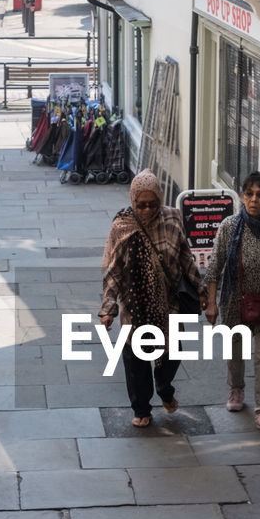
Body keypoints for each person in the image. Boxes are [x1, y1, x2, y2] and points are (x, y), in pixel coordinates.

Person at [99, 170, 204, 428]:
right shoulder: (122, 226)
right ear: (132, 201)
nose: (146, 210)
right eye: (140, 204)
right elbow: (113, 270)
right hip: (134, 305)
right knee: (135, 360)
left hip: (169, 303)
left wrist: (202, 291)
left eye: (152, 204)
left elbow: (185, 258)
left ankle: (165, 388)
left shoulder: (173, 218)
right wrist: (108, 308)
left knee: (172, 353)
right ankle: (142, 408)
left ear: (160, 199)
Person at [204, 172, 260, 435]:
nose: (254, 200)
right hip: (235, 302)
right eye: (249, 194)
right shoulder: (229, 226)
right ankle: (236, 388)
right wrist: (211, 302)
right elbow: (214, 266)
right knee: (236, 352)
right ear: (242, 195)